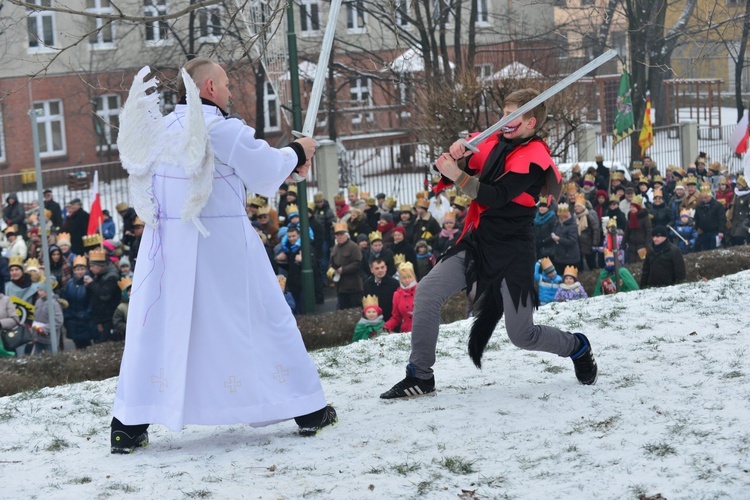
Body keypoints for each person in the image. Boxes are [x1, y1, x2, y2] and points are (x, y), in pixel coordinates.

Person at [111, 58, 336, 453]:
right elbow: (265, 168)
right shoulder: (222, 128)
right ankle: (308, 410)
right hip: (222, 247)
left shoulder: (160, 129)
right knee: (264, 319)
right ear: (210, 87)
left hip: (164, 252)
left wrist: (287, 167)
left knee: (156, 331)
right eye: (228, 85)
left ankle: (127, 425)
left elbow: (248, 173)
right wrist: (298, 151)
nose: (231, 92)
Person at [380, 89, 597, 400]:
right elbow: (467, 167)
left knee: (522, 335)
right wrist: (459, 157)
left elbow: (495, 195)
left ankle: (577, 347)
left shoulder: (535, 159)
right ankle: (420, 375)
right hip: (477, 240)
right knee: (427, 290)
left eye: (511, 115)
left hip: (513, 252)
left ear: (530, 121)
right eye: (502, 114)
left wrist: (458, 175)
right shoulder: (495, 141)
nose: (503, 121)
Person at [62, 255, 98, 349]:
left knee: (87, 345)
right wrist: (68, 316)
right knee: (78, 345)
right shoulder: (69, 284)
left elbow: (92, 300)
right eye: (78, 269)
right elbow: (66, 300)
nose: (80, 272)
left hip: (86, 320)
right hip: (73, 320)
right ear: (74, 271)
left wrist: (87, 314)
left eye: (82, 269)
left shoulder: (90, 282)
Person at [86, 247, 121, 343]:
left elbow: (104, 295)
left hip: (109, 316)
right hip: (101, 317)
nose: (90, 269)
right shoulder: (98, 274)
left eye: (93, 266)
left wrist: (92, 284)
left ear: (100, 266)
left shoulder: (112, 276)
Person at [328, 221, 363, 310]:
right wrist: (331, 270)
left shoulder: (353, 247)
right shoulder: (335, 248)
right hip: (340, 286)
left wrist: (343, 269)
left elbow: (358, 263)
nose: (339, 237)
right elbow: (331, 262)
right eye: (337, 235)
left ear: (346, 235)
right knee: (343, 310)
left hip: (353, 286)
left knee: (355, 309)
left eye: (341, 234)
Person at [30, 279, 64, 355]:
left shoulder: (54, 303)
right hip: (38, 338)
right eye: (38, 290)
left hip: (50, 340)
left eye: (41, 290)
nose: (39, 292)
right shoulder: (38, 301)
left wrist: (45, 329)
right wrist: (34, 333)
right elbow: (35, 317)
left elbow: (58, 321)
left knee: (51, 359)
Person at [383, 262, 417, 334]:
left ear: (414, 276)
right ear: (400, 279)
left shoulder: (422, 290)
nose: (407, 280)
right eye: (404, 278)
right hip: (406, 331)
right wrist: (387, 326)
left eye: (409, 277)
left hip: (422, 327)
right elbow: (396, 317)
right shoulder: (397, 295)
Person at [362, 258, 399, 322]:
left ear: (386, 268)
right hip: (374, 322)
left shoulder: (394, 284)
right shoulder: (367, 284)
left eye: (382, 267)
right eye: (377, 268)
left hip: (391, 320)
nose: (380, 270)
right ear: (372, 270)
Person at [693, 184, 726, 252]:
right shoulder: (699, 206)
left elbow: (722, 219)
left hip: (715, 231)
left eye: (706, 197)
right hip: (703, 231)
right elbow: (697, 218)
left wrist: (721, 231)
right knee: (705, 250)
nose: (704, 199)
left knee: (713, 250)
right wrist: (695, 229)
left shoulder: (717, 205)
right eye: (702, 198)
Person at [551, 203, 580, 276]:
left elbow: (572, 241)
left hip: (570, 258)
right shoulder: (557, 223)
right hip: (559, 256)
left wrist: (559, 239)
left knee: (569, 278)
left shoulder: (572, 225)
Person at [623, 194, 652, 263]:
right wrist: (623, 242)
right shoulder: (630, 217)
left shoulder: (644, 218)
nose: (632, 209)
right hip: (632, 244)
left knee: (641, 262)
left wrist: (647, 244)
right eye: (631, 207)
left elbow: (648, 231)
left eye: (634, 207)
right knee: (632, 262)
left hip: (642, 244)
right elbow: (627, 231)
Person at [728, 175, 750, 246]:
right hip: (735, 219)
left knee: (739, 237)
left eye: (739, 184)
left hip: (743, 220)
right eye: (737, 184)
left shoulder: (748, 195)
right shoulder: (736, 193)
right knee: (732, 238)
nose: (737, 185)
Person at [533, 196, 557, 260]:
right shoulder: (536, 216)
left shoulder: (552, 217)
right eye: (540, 207)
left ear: (548, 208)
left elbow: (554, 231)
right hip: (537, 246)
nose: (542, 208)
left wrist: (544, 241)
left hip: (548, 246)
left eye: (544, 207)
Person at [112, 276, 132, 340]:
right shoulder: (121, 307)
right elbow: (117, 322)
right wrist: (129, 328)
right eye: (128, 291)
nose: (131, 292)